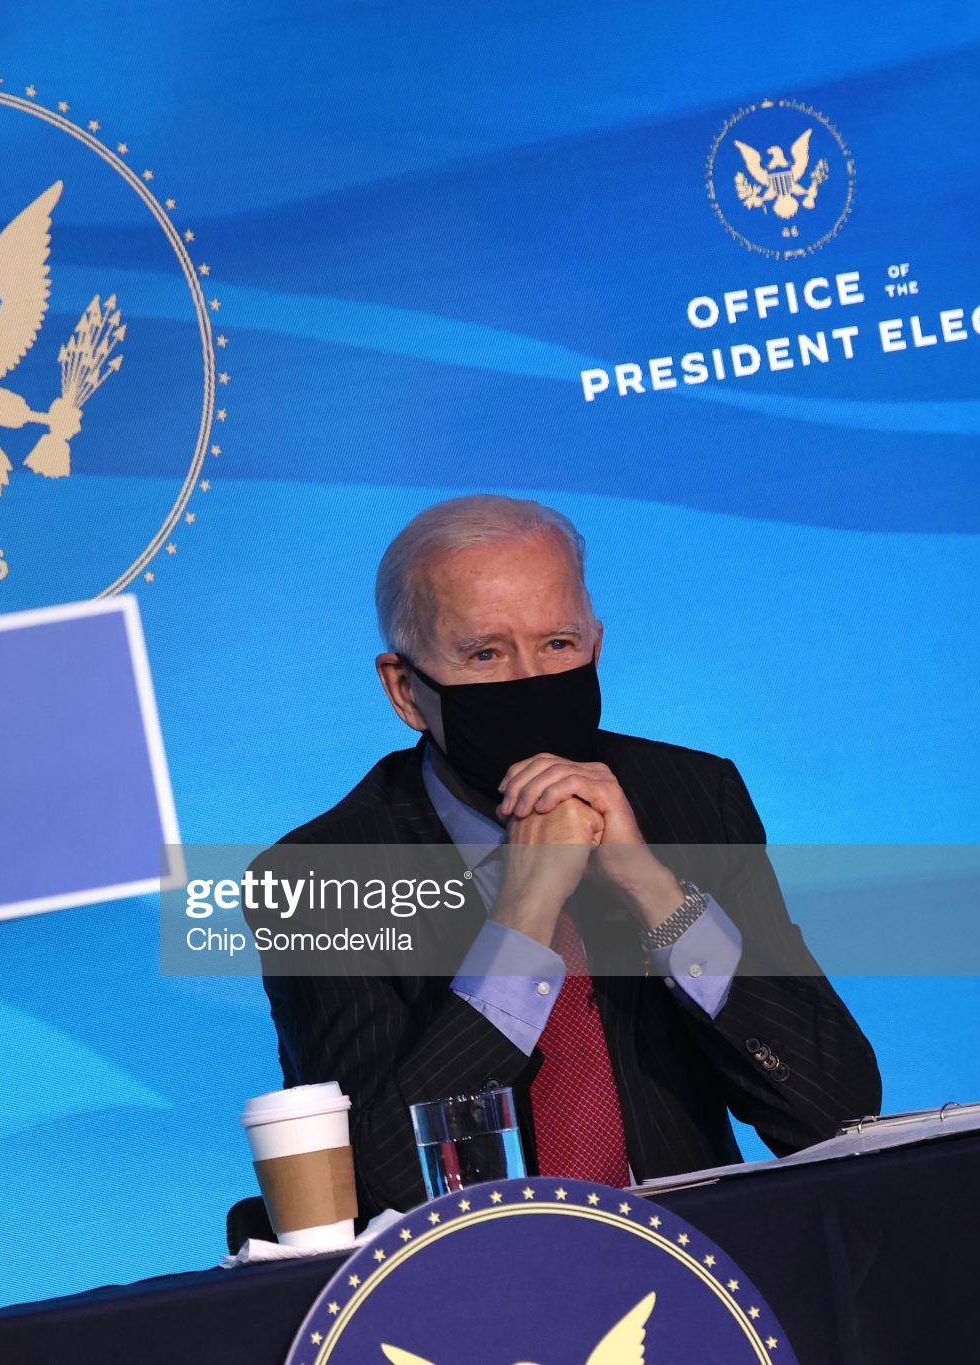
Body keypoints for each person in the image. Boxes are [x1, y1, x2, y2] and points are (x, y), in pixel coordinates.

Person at [251, 494, 880, 1218]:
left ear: (597, 646)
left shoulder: (691, 797)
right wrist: (522, 917)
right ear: (405, 690)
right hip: (466, 1298)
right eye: (485, 652)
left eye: (557, 644)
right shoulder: (318, 877)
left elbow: (833, 1112)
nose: (529, 681)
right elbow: (382, 1185)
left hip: (698, 1273)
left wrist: (656, 893)